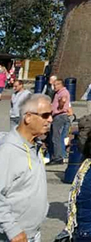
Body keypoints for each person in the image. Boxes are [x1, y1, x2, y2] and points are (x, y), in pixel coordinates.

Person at [0, 94, 51, 242]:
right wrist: (12, 229)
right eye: (46, 115)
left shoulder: (35, 146)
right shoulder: (8, 150)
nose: (50, 120)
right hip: (13, 236)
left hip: (32, 233)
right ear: (28, 117)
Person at [48, 77, 73, 165]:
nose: (54, 87)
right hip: (56, 116)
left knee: (56, 137)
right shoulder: (57, 93)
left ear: (60, 85)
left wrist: (61, 104)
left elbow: (63, 100)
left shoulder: (63, 92)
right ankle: (55, 156)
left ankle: (58, 158)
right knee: (54, 137)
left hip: (60, 116)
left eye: (55, 85)